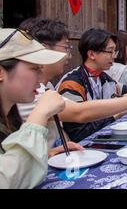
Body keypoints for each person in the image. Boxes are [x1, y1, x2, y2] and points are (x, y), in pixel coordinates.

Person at [19, 19, 127, 147]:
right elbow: (79, 116)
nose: (69, 55)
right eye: (65, 47)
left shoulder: (103, 78)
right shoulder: (70, 83)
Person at [57, 29, 127, 142]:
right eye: (110, 51)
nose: (114, 56)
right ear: (91, 54)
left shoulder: (104, 78)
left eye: (114, 51)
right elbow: (78, 133)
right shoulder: (72, 84)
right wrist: (117, 113)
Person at [0, 28, 73, 188]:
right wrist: (40, 113)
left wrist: (43, 155)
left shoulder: (10, 116)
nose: (41, 79)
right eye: (34, 69)